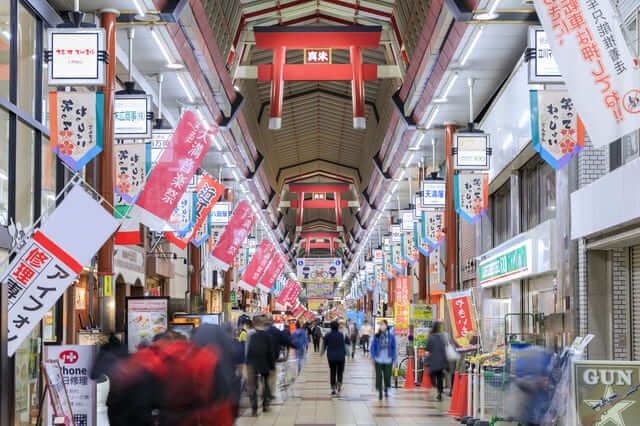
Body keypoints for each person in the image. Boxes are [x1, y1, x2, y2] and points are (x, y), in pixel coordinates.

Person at [246, 315, 276, 416]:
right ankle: (265, 404)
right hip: (265, 364)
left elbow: (249, 351)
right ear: (263, 324)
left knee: (253, 386)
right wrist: (272, 365)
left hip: (253, 364)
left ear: (255, 324)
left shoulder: (252, 336)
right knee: (266, 384)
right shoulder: (268, 336)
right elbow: (270, 352)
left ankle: (254, 409)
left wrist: (248, 365)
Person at [371, 320, 397, 400]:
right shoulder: (377, 335)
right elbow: (373, 346)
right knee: (378, 376)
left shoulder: (391, 336)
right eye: (380, 325)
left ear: (386, 325)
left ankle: (386, 388)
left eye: (383, 324)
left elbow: (394, 347)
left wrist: (394, 357)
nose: (382, 326)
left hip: (388, 359)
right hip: (378, 358)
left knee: (387, 375)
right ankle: (380, 391)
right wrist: (373, 356)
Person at [321, 320, 348, 396]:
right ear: (337, 327)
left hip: (331, 357)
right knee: (340, 371)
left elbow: (324, 345)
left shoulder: (327, 335)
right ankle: (339, 383)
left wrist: (321, 353)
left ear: (331, 327)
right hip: (340, 356)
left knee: (332, 371)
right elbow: (343, 344)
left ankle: (333, 388)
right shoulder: (341, 335)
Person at [425, 321, 448, 401]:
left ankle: (437, 388)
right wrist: (445, 361)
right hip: (440, 360)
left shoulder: (430, 337)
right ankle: (439, 392)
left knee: (433, 375)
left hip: (433, 361)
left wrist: (427, 360)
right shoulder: (442, 337)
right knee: (439, 377)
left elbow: (427, 349)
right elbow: (444, 349)